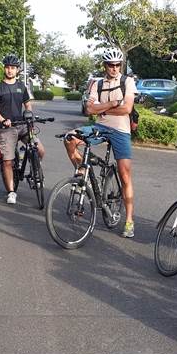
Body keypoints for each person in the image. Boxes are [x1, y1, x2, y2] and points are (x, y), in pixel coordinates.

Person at [63, 47, 137, 237]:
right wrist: (112, 104)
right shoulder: (97, 84)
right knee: (69, 138)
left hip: (121, 130)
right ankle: (80, 168)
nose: (114, 68)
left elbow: (127, 109)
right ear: (105, 65)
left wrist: (101, 109)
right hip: (101, 127)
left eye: (117, 65)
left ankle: (129, 220)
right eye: (110, 65)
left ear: (121, 65)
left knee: (125, 175)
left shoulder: (127, 81)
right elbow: (89, 109)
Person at [0, 54, 45, 205]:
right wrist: (3, 120)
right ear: (4, 68)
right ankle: (12, 191)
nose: (9, 70)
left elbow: (27, 104)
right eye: (7, 67)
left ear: (17, 70)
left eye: (13, 68)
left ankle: (35, 171)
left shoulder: (21, 87)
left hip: (23, 125)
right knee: (7, 161)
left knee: (39, 150)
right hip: (7, 128)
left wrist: (29, 115)